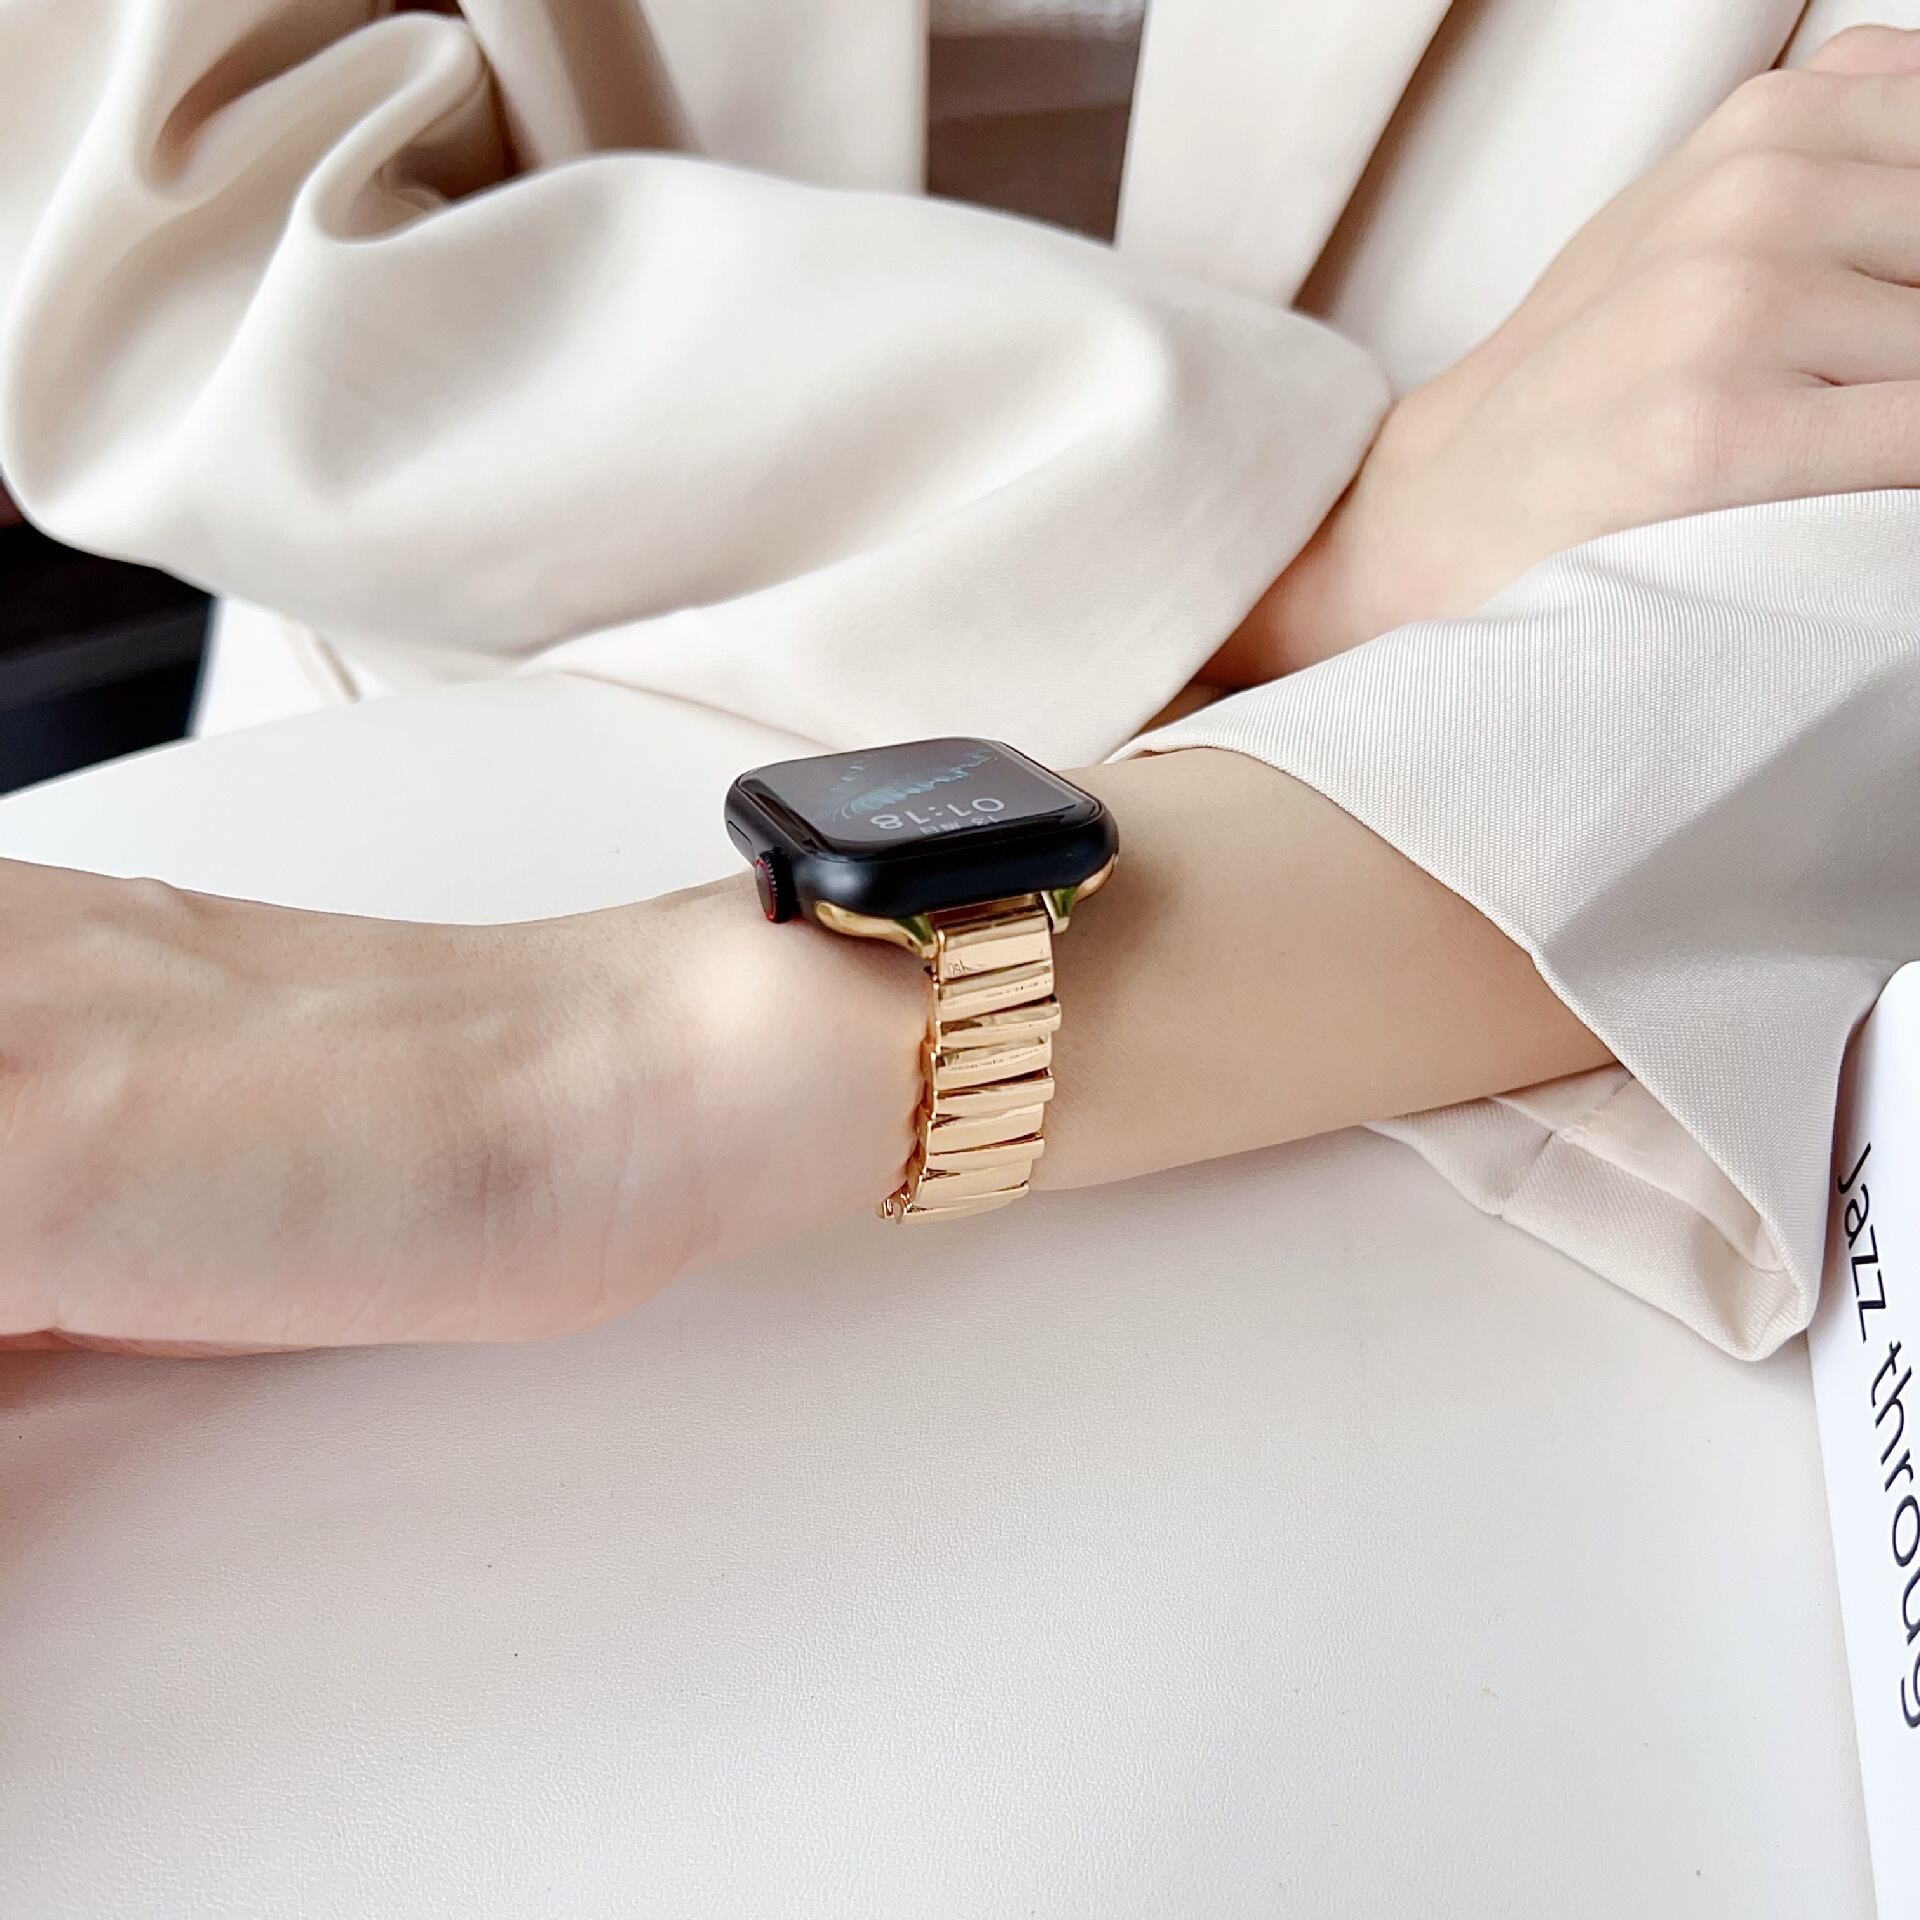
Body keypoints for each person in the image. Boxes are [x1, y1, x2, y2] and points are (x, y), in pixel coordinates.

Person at [0, 0, 1914, 1355]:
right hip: (421, 779)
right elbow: (159, 253)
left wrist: (591, 1084)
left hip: (1553, 1029)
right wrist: (1309, 544)